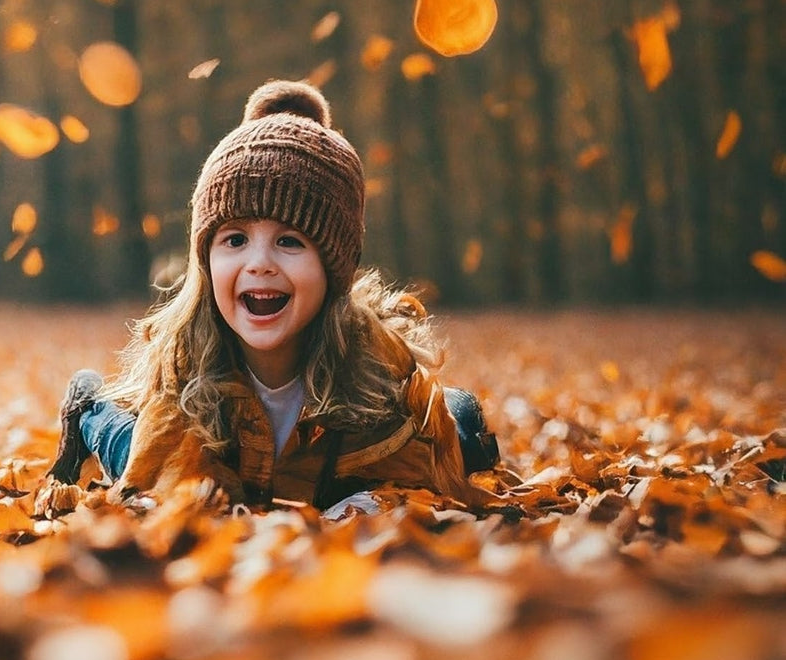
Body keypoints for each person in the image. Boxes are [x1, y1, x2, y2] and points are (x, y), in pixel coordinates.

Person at [35, 79, 498, 518]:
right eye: (235, 240)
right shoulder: (183, 369)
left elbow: (421, 482)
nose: (259, 263)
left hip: (338, 465)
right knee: (123, 441)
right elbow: (157, 493)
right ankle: (90, 403)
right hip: (184, 443)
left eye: (290, 241)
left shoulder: (378, 371)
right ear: (206, 261)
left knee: (455, 438)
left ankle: (461, 411)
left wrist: (360, 510)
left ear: (333, 267)